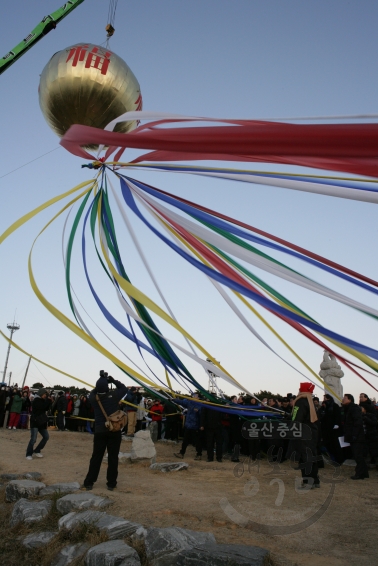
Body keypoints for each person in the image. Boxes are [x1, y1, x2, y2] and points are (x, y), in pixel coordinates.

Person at [83, 371, 127, 491]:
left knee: (96, 456)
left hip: (100, 430)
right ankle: (111, 483)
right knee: (113, 457)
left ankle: (89, 482)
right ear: (107, 387)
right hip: (114, 430)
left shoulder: (93, 398)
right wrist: (112, 380)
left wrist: (100, 381)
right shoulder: (114, 396)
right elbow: (123, 388)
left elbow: (93, 391)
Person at [291, 382, 320, 489]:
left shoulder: (300, 401)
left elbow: (297, 418)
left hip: (303, 433)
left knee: (305, 457)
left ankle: (308, 481)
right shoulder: (311, 401)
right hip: (313, 432)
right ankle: (315, 480)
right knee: (312, 455)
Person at [342, 393, 369, 480]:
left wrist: (354, 435)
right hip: (353, 435)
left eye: (345, 398)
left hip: (357, 436)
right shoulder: (348, 408)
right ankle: (364, 473)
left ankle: (360, 473)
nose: (343, 399)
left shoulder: (353, 409)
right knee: (358, 455)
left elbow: (357, 423)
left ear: (350, 399)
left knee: (358, 455)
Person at [174, 393, 202, 460]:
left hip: (195, 426)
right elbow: (182, 402)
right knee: (185, 441)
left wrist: (201, 424)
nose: (193, 397)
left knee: (196, 441)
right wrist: (173, 399)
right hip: (188, 425)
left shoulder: (200, 405)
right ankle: (181, 453)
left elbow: (202, 416)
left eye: (195, 396)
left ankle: (199, 454)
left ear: (198, 398)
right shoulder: (190, 403)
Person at [26, 388, 52, 460]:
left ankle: (37, 450)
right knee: (33, 439)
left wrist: (49, 401)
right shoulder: (36, 400)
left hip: (42, 422)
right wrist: (48, 401)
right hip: (35, 421)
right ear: (41, 394)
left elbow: (46, 409)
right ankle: (28, 453)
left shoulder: (43, 400)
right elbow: (42, 407)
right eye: (44, 394)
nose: (45, 396)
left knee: (46, 436)